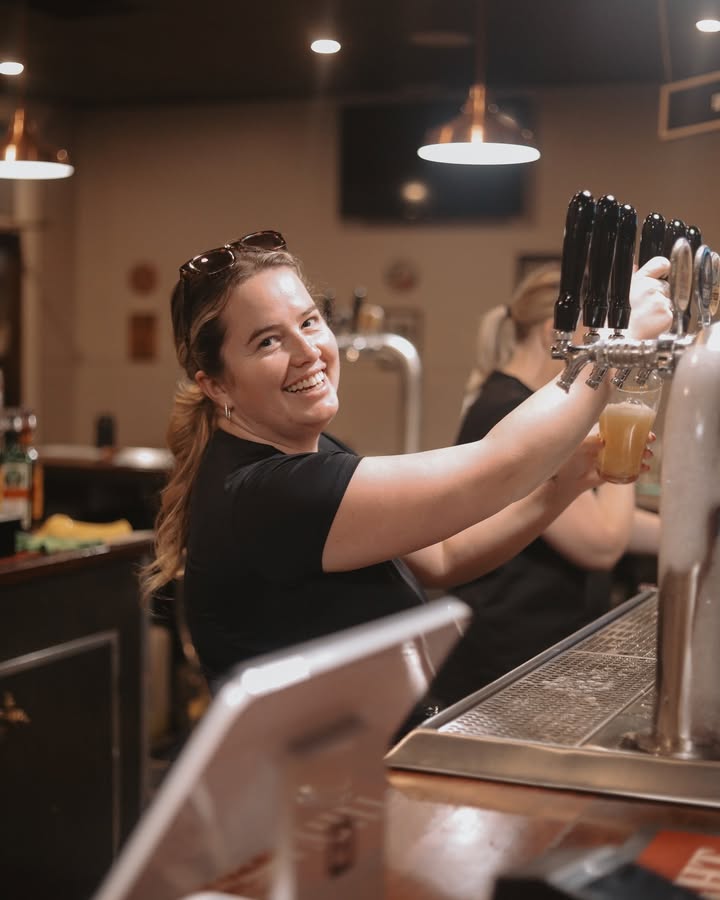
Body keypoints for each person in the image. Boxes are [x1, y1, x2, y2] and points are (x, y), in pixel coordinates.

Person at [140, 230, 672, 723]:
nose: (308, 352)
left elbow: (444, 557)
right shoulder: (268, 493)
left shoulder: (316, 453)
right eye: (266, 342)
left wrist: (564, 486)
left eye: (308, 322)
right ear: (217, 386)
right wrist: (610, 349)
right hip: (314, 804)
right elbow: (497, 465)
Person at [429, 259, 668, 707]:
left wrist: (692, 537)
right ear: (551, 335)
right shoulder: (511, 411)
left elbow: (583, 512)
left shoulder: (521, 407)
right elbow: (601, 543)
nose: (609, 349)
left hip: (540, 639)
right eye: (599, 335)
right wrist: (616, 409)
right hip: (509, 651)